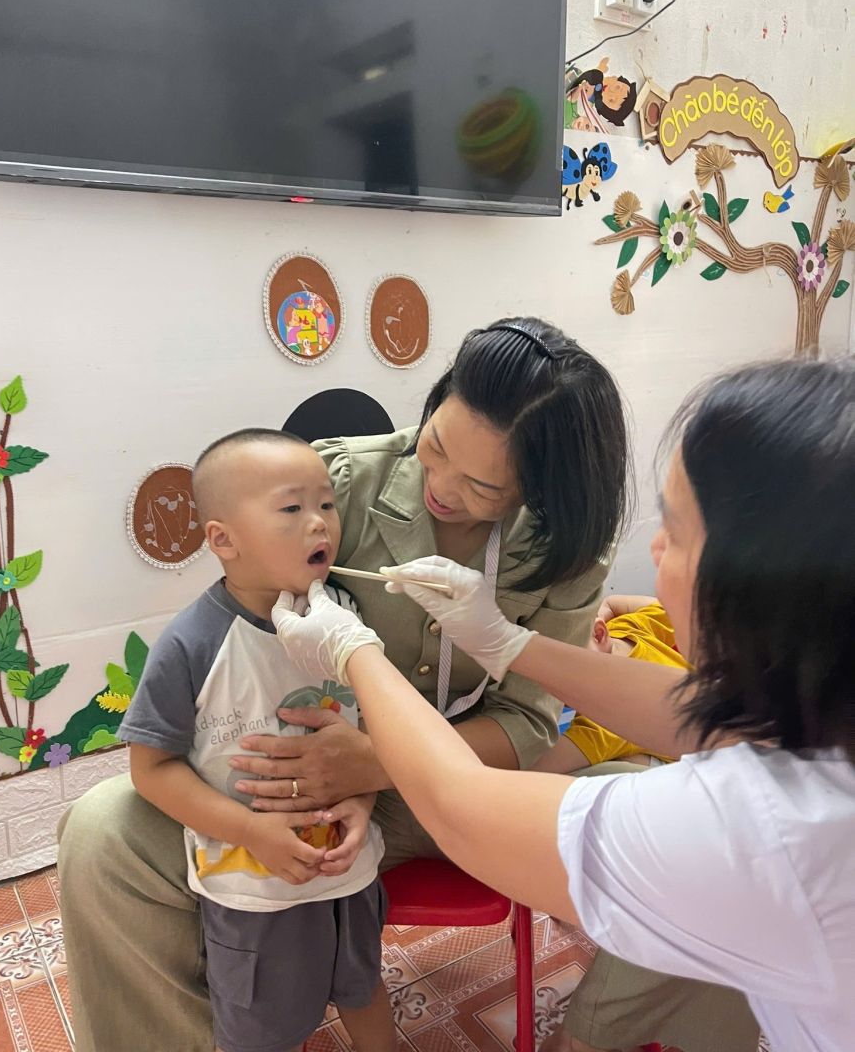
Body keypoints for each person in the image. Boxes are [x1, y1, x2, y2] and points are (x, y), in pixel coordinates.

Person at [61, 317, 677, 1052]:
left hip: (466, 789)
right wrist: (312, 778)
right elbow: (244, 607)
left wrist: (378, 762)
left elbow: (529, 721)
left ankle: (592, 1038)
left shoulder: (567, 546)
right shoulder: (337, 484)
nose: (441, 487)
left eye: (482, 486)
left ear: (541, 489)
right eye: (436, 446)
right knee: (102, 834)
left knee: (678, 834)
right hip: (306, 778)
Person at [271, 357, 855, 1052]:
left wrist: (353, 652)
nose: (654, 549)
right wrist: (507, 642)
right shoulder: (339, 479)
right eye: (435, 446)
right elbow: (712, 715)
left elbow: (466, 807)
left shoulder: (767, 833)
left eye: (675, 532)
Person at [121, 429, 394, 1052]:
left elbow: (373, 728)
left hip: (350, 870)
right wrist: (251, 831)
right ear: (223, 540)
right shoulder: (191, 645)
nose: (320, 522)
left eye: (327, 504)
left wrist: (363, 801)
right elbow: (151, 768)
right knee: (262, 1029)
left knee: (364, 988)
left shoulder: (346, 617)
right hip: (253, 891)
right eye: (292, 507)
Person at [536, 596, 689, 774]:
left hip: (697, 764)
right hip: (711, 709)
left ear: (599, 634)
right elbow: (672, 607)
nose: (551, 684)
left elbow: (537, 768)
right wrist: (607, 606)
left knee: (612, 764)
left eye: (566, 665)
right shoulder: (626, 628)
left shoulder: (605, 725)